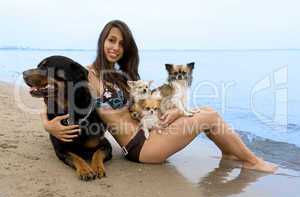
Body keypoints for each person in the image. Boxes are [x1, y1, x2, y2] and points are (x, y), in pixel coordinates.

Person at [41, 20, 277, 173]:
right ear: (102, 40)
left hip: (152, 133)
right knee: (210, 116)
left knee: (203, 110)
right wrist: (48, 124)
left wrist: (172, 111)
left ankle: (228, 153)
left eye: (122, 44)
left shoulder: (123, 77)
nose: (116, 47)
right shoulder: (87, 75)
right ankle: (251, 161)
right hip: (139, 148)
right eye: (111, 40)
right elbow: (52, 95)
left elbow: (147, 108)